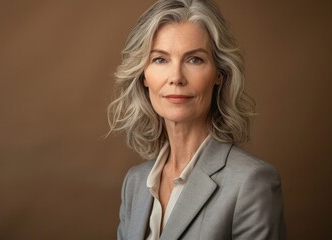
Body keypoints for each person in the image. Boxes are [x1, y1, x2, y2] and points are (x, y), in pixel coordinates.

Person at [107, 0, 286, 239]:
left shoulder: (251, 182)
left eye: (194, 60)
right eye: (160, 59)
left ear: (219, 74)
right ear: (143, 76)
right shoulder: (135, 182)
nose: (176, 77)